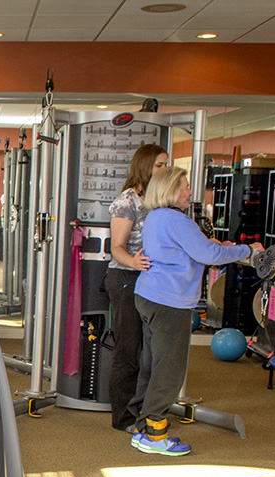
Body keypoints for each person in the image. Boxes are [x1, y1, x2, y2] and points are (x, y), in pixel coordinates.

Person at [129, 166, 262, 456]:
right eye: (185, 187)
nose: (190, 192)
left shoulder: (155, 217)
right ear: (169, 190)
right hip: (169, 302)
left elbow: (190, 250)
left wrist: (213, 246)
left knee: (152, 363)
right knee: (169, 370)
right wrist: (247, 250)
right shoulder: (177, 220)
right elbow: (210, 255)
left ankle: (141, 428)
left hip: (149, 295)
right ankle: (154, 434)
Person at [104, 144, 167, 433]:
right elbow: (116, 248)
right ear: (144, 167)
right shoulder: (126, 202)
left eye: (166, 165)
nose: (164, 170)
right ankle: (123, 419)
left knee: (150, 352)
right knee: (129, 351)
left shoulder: (158, 200)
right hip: (126, 279)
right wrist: (135, 262)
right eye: (159, 165)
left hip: (152, 282)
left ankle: (144, 409)